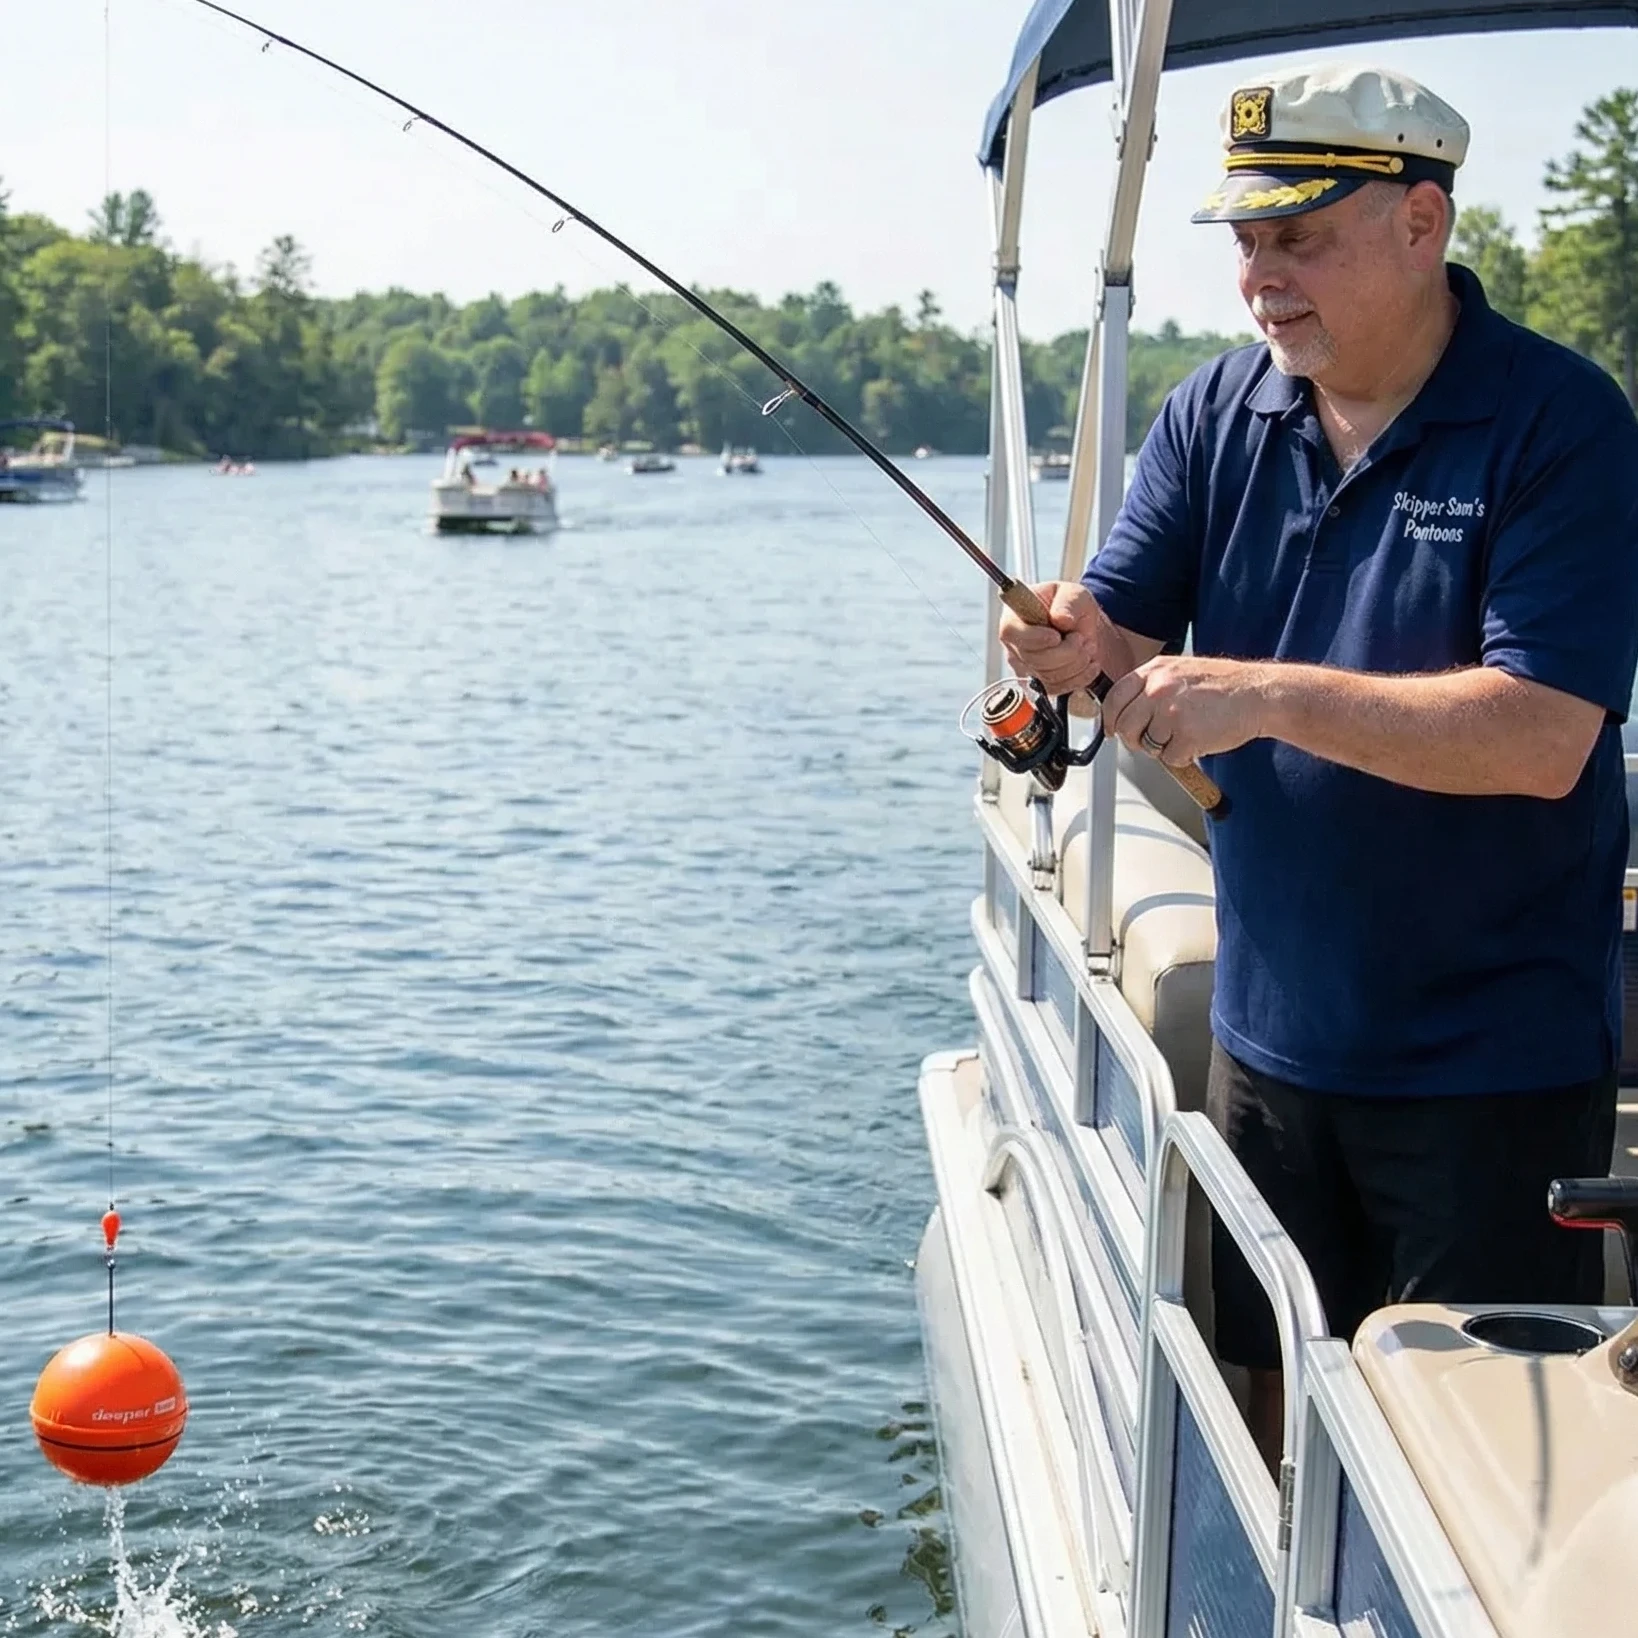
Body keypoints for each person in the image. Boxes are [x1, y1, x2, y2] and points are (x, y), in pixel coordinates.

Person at [999, 64, 1638, 1469]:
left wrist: (1267, 696)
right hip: (1268, 1047)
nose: (1258, 277)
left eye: (1297, 237)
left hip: (1492, 1073)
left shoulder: (1561, 424)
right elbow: (1117, 622)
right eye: (1243, 240)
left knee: (1473, 1468)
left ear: (1421, 225)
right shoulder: (1215, 412)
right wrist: (1064, 642)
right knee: (1263, 1410)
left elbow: (1543, 739)